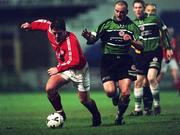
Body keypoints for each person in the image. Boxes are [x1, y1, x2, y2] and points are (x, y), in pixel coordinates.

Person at [20, 18, 101, 127]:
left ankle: (96, 115)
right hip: (65, 68)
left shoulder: (71, 40)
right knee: (50, 88)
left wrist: (58, 69)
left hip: (79, 70)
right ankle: (60, 113)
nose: (56, 36)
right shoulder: (50, 30)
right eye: (55, 33)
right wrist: (31, 25)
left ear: (65, 31)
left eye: (59, 33)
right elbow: (43, 23)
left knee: (84, 100)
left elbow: (75, 61)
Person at [82, 0, 143, 125]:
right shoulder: (106, 24)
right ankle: (115, 96)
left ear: (127, 12)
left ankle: (119, 117)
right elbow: (93, 39)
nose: (119, 14)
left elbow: (141, 46)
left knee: (125, 92)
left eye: (122, 12)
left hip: (125, 60)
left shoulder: (132, 26)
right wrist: (88, 36)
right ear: (114, 10)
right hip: (108, 60)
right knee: (110, 92)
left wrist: (131, 41)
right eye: (117, 11)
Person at [130, 0, 173, 116]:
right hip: (140, 55)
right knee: (138, 81)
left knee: (151, 78)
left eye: (140, 7)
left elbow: (164, 33)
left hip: (154, 53)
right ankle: (138, 109)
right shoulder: (133, 24)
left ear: (144, 9)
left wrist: (168, 48)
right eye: (136, 7)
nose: (138, 9)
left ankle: (157, 106)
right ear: (133, 9)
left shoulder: (154, 19)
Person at [157, 27, 180, 95]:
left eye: (171, 32)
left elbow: (175, 51)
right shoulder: (163, 40)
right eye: (169, 32)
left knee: (175, 76)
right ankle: (152, 89)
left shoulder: (174, 40)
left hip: (172, 59)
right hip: (164, 59)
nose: (171, 33)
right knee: (160, 75)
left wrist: (178, 60)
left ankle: (178, 91)